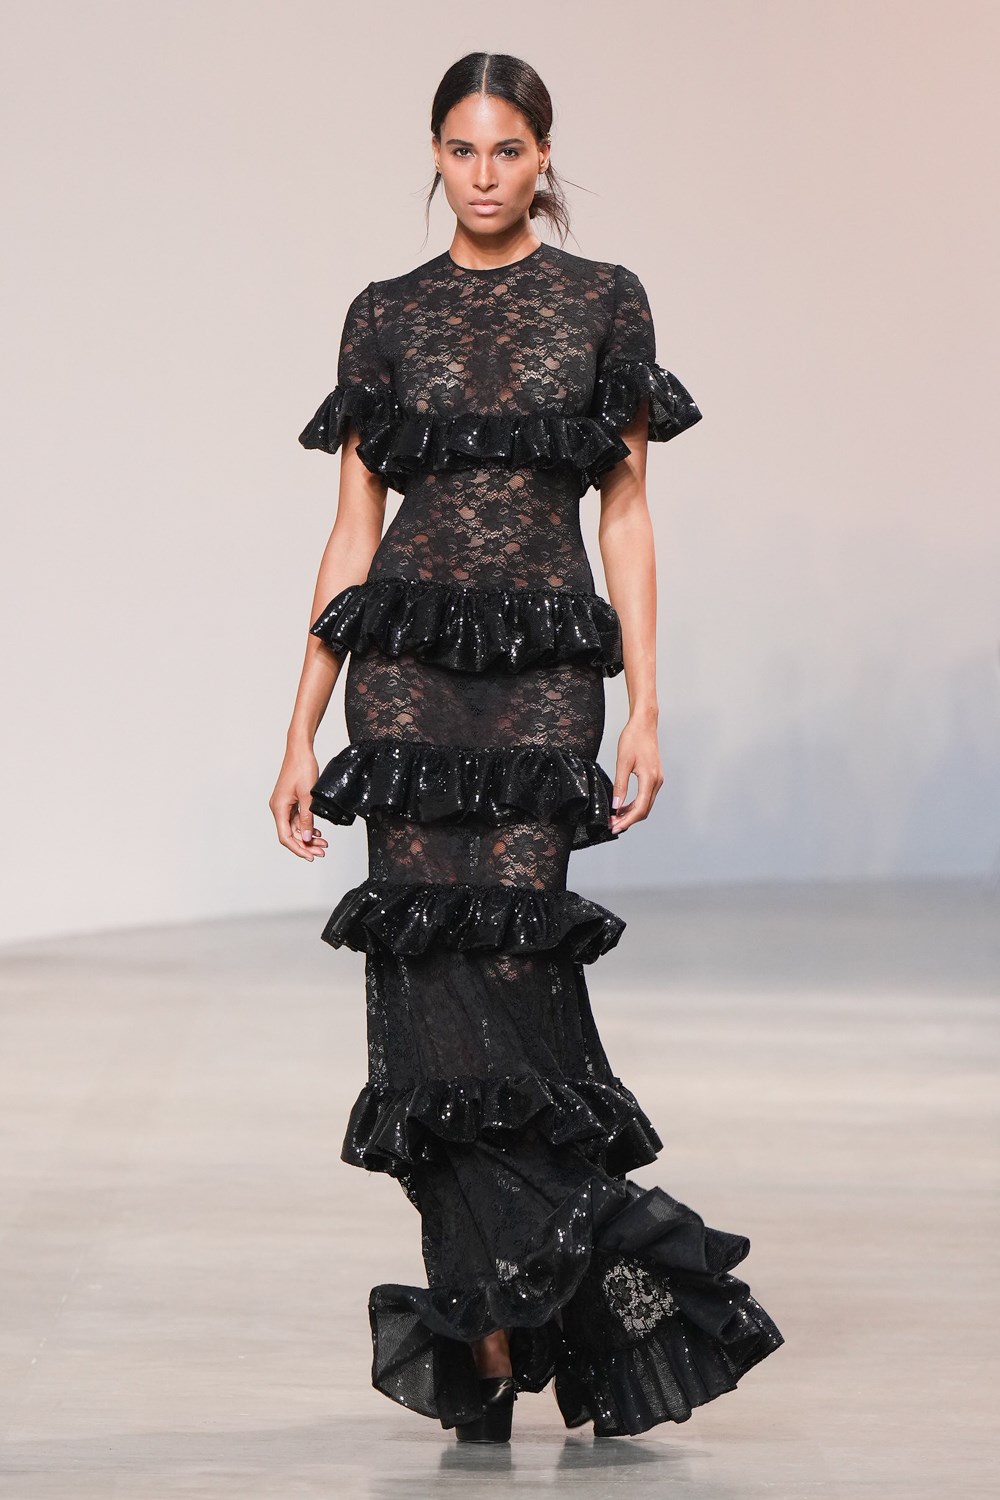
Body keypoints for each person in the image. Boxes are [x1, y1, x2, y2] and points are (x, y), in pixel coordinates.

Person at [270, 51, 783, 1443]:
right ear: (433, 156)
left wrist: (647, 702)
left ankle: (557, 1290)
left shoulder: (604, 301)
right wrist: (299, 723)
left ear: (545, 156)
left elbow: (627, 513)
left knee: (512, 969)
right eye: (460, 149)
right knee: (426, 986)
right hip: (405, 676)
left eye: (507, 150)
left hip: (550, 674)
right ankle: (486, 1328)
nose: (483, 174)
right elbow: (351, 533)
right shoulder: (384, 316)